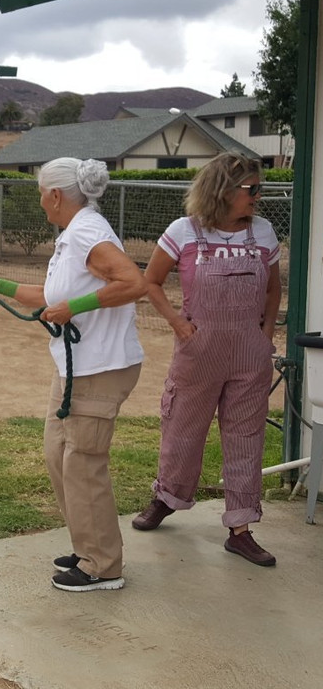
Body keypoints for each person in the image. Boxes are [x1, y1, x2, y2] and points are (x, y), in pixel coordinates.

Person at [0, 157, 147, 592]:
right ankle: (88, 545)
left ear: (56, 195)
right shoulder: (73, 235)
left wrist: (75, 309)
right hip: (75, 366)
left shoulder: (87, 232)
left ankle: (103, 565)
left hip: (100, 366)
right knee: (58, 455)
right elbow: (49, 296)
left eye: (40, 191)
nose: (40, 199)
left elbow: (133, 282)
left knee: (83, 463)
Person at [131, 153, 281, 567]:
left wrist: (264, 336)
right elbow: (151, 282)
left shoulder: (265, 233)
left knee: (246, 439)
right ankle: (167, 497)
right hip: (198, 352)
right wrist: (179, 326)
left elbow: (272, 291)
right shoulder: (183, 231)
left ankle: (240, 528)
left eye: (258, 189)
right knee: (183, 428)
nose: (258, 197)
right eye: (252, 190)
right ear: (224, 190)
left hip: (249, 356)